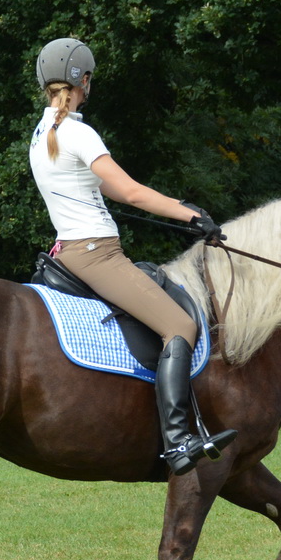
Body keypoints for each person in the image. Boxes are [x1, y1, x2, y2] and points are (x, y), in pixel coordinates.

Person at [28, 38, 233, 474]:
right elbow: (129, 191)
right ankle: (179, 440)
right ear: (84, 80)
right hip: (95, 253)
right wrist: (190, 215)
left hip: (67, 249)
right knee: (180, 324)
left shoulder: (42, 134)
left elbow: (100, 188)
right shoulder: (79, 132)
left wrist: (179, 207)